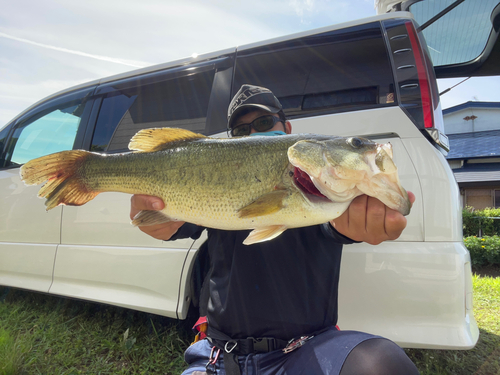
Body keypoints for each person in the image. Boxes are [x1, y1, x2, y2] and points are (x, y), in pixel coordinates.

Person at [130, 85, 419, 375]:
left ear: (288, 128)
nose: (255, 134)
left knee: (383, 364)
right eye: (242, 131)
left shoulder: (334, 195)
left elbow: (341, 228)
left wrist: (361, 223)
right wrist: (155, 222)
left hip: (309, 348)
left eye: (265, 123)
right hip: (221, 353)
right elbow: (167, 226)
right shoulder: (215, 178)